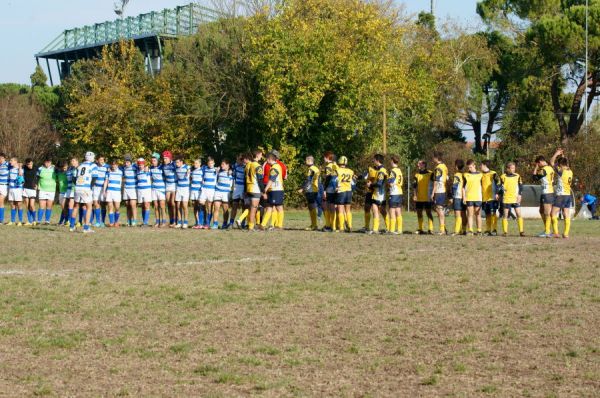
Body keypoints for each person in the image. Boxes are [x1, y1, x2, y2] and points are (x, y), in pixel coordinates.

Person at [70, 152, 98, 233]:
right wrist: (89, 187)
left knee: (76, 206)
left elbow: (74, 178)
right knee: (89, 207)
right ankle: (86, 228)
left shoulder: (80, 165)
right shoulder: (93, 165)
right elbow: (95, 178)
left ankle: (72, 227)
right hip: (86, 188)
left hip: (77, 188)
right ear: (92, 157)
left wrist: (78, 185)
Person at [237, 150, 263, 231]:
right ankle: (251, 227)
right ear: (258, 155)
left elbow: (245, 180)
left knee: (250, 208)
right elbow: (260, 180)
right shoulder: (258, 166)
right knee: (253, 209)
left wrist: (245, 190)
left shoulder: (247, 166)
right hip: (255, 189)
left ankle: (248, 224)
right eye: (261, 155)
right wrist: (263, 191)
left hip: (248, 189)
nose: (261, 156)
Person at [550, 149, 573, 239]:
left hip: (561, 196)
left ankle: (556, 233)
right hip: (568, 195)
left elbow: (551, 162)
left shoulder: (561, 172)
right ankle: (566, 233)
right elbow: (565, 162)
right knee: (566, 214)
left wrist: (556, 154)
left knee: (553, 214)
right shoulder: (570, 171)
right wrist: (562, 156)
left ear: (560, 165)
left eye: (559, 165)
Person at [499, 162, 525, 237]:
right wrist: (498, 194)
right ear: (508, 169)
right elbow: (500, 186)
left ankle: (521, 231)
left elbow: (521, 186)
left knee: (518, 214)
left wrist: (520, 195)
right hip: (506, 198)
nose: (514, 169)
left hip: (515, 198)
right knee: (505, 215)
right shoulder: (503, 176)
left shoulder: (517, 176)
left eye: (514, 168)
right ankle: (505, 232)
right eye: (512, 168)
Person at [533, 154, 555, 238]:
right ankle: (548, 229)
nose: (538, 166)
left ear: (540, 162)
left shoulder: (544, 170)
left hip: (547, 192)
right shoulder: (550, 168)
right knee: (541, 211)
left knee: (547, 213)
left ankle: (548, 231)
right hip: (547, 192)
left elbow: (534, 178)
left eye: (538, 164)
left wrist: (535, 168)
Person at [261, 153, 284, 230]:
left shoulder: (275, 167)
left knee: (278, 207)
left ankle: (279, 226)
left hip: (276, 190)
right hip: (273, 190)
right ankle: (263, 225)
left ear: (270, 159)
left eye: (267, 159)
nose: (266, 161)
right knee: (269, 206)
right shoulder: (274, 167)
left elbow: (271, 179)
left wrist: (265, 189)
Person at [297, 155, 321, 231]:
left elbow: (308, 180)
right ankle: (314, 224)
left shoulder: (311, 169)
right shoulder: (316, 168)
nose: (305, 162)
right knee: (312, 206)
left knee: (311, 206)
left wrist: (302, 188)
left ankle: (314, 225)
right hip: (315, 189)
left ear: (310, 161)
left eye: (306, 160)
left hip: (311, 190)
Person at [462, 159, 483, 235]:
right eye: (468, 167)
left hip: (478, 198)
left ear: (474, 166)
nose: (469, 169)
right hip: (469, 198)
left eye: (470, 167)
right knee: (470, 214)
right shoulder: (465, 175)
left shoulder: (480, 175)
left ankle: (479, 230)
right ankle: (470, 230)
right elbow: (463, 187)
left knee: (478, 214)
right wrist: (464, 197)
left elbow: (483, 186)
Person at [368, 154, 388, 234]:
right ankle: (388, 228)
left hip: (379, 195)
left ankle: (376, 229)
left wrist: (371, 185)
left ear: (377, 160)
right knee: (381, 211)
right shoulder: (383, 170)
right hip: (380, 194)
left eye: (374, 160)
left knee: (376, 211)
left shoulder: (381, 171)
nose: (373, 161)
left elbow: (379, 184)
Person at [413, 160, 434, 234]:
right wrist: (415, 195)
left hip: (427, 197)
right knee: (419, 212)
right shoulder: (416, 175)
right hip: (419, 197)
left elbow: (436, 183)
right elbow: (414, 187)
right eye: (418, 163)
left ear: (424, 165)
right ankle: (420, 228)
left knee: (428, 213)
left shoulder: (430, 173)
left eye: (419, 163)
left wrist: (433, 194)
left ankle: (430, 229)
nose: (418, 164)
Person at [335, 156, 354, 233]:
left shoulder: (337, 170)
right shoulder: (351, 171)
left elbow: (334, 180)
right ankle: (350, 225)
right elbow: (353, 182)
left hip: (341, 191)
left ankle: (341, 227)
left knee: (340, 209)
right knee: (348, 210)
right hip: (349, 191)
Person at [481, 160, 500, 236]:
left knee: (493, 213)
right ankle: (488, 230)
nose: (480, 166)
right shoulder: (480, 174)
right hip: (484, 198)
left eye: (481, 165)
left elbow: (499, 183)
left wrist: (497, 193)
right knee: (487, 214)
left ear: (485, 165)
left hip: (492, 198)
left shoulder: (493, 173)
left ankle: (494, 229)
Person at [212, 159, 233, 229]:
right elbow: (211, 167)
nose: (221, 165)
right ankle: (215, 224)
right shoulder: (218, 171)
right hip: (217, 191)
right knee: (216, 208)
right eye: (221, 164)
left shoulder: (231, 173)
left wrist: (231, 171)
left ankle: (225, 223)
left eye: (223, 164)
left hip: (226, 193)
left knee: (225, 209)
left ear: (228, 165)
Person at [431, 151, 448, 235]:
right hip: (443, 189)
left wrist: (433, 192)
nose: (432, 159)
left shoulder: (438, 168)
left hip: (439, 190)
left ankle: (442, 230)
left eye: (433, 157)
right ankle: (443, 228)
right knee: (439, 209)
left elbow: (436, 181)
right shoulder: (444, 166)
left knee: (439, 209)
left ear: (436, 158)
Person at [36, 157, 57, 225]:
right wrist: (36, 184)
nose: (47, 163)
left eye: (49, 162)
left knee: (49, 206)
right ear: (44, 162)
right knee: (41, 206)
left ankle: (47, 221)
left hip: (51, 190)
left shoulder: (55, 169)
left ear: (51, 162)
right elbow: (36, 177)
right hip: (42, 189)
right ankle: (39, 221)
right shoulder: (40, 169)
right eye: (46, 162)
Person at [103, 160, 123, 227]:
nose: (113, 166)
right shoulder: (108, 172)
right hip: (109, 191)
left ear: (117, 165)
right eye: (112, 164)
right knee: (110, 207)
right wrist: (104, 191)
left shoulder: (121, 172)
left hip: (117, 192)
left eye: (115, 164)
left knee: (117, 207)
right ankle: (111, 222)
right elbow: (106, 181)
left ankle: (116, 221)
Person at [149, 153, 167, 227]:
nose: (153, 162)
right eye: (152, 160)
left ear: (158, 161)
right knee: (156, 206)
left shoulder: (162, 167)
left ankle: (164, 222)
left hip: (161, 189)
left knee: (162, 206)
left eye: (154, 160)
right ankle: (157, 221)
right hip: (154, 189)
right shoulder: (151, 168)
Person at [388, 156, 404, 235]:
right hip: (399, 192)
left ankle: (392, 230)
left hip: (394, 193)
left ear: (392, 161)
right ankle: (400, 229)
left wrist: (387, 180)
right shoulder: (399, 170)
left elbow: (390, 182)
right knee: (398, 210)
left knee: (392, 210)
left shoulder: (393, 171)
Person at [199, 157, 217, 229]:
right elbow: (194, 168)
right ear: (207, 163)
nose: (210, 164)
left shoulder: (216, 170)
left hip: (211, 190)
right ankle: (201, 222)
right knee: (201, 204)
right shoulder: (204, 168)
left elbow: (229, 168)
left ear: (214, 163)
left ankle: (207, 223)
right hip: (204, 189)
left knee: (209, 207)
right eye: (209, 163)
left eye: (211, 163)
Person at [230, 154, 246, 229]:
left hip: (244, 188)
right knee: (234, 205)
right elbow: (229, 168)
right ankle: (231, 223)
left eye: (239, 159)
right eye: (237, 159)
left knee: (244, 206)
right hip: (237, 187)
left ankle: (243, 223)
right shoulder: (235, 166)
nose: (237, 161)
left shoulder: (246, 166)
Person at [322, 151, 338, 232]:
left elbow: (328, 179)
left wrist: (324, 190)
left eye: (324, 157)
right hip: (336, 187)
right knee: (334, 206)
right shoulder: (335, 165)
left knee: (328, 206)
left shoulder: (328, 166)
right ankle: (334, 226)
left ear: (328, 158)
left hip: (330, 188)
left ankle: (329, 225)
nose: (323, 158)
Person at [92, 156, 109, 227]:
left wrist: (105, 189)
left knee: (103, 204)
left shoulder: (107, 167)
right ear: (97, 160)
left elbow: (107, 178)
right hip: (95, 187)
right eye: (100, 159)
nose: (101, 161)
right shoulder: (94, 166)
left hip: (103, 188)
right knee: (95, 203)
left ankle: (102, 221)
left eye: (102, 159)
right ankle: (97, 221)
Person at [122, 155, 138, 226]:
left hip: (133, 188)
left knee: (133, 204)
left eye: (128, 162)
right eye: (125, 162)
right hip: (126, 188)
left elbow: (142, 167)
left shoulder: (135, 167)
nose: (126, 163)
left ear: (130, 162)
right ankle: (129, 220)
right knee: (127, 205)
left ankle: (134, 220)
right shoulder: (123, 168)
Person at [162, 151, 177, 227]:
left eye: (166, 158)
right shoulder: (163, 166)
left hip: (174, 185)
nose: (164, 160)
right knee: (168, 203)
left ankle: (175, 220)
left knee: (173, 202)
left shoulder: (174, 164)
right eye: (164, 158)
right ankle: (171, 220)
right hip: (167, 185)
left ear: (170, 158)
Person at [175, 157, 191, 228]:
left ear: (182, 162)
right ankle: (179, 222)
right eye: (176, 162)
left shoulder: (187, 167)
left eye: (178, 162)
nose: (176, 164)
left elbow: (191, 167)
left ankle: (185, 222)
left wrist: (188, 168)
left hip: (185, 189)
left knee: (184, 205)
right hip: (178, 188)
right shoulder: (176, 168)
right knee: (178, 205)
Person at [451, 159, 466, 236]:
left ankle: (457, 231)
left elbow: (455, 186)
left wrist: (451, 196)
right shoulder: (464, 174)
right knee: (463, 214)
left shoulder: (456, 175)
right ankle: (464, 230)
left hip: (457, 196)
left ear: (456, 166)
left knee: (457, 214)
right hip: (464, 197)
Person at [7, 157, 24, 225]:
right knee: (12, 205)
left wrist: (19, 167)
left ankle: (20, 221)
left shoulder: (20, 169)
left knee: (19, 204)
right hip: (11, 189)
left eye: (11, 161)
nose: (10, 162)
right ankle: (12, 221)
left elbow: (20, 175)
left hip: (18, 189)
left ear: (15, 161)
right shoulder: (10, 169)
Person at [136, 158, 152, 227]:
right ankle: (144, 221)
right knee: (142, 206)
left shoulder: (148, 170)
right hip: (140, 190)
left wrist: (147, 169)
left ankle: (146, 222)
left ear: (144, 164)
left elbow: (152, 170)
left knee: (146, 205)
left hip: (147, 190)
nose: (140, 166)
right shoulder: (137, 171)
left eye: (142, 165)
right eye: (139, 165)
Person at [22, 158, 38, 226]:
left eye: (31, 164)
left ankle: (34, 220)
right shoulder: (24, 167)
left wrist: (36, 184)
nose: (30, 165)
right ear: (26, 164)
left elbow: (39, 176)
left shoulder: (36, 167)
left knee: (32, 205)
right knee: (27, 206)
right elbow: (19, 165)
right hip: (25, 188)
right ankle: (29, 221)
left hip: (32, 189)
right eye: (28, 164)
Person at [190, 159, 203, 229]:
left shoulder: (202, 170)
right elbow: (190, 179)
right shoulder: (192, 170)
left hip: (199, 191)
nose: (195, 164)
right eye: (194, 163)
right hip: (193, 190)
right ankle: (197, 222)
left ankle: (201, 223)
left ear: (200, 164)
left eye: (197, 163)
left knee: (200, 206)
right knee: (194, 206)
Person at [56, 161, 69, 226]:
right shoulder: (58, 173)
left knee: (65, 206)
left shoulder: (69, 172)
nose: (64, 169)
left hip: (68, 191)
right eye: (63, 168)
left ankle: (66, 221)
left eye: (65, 168)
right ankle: (62, 221)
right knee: (63, 207)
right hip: (61, 192)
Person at [0, 153, 8, 224]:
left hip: (4, 185)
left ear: (4, 158)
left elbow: (17, 164)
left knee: (1, 201)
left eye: (2, 158)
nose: (0, 159)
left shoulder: (7, 164)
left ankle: (1, 219)